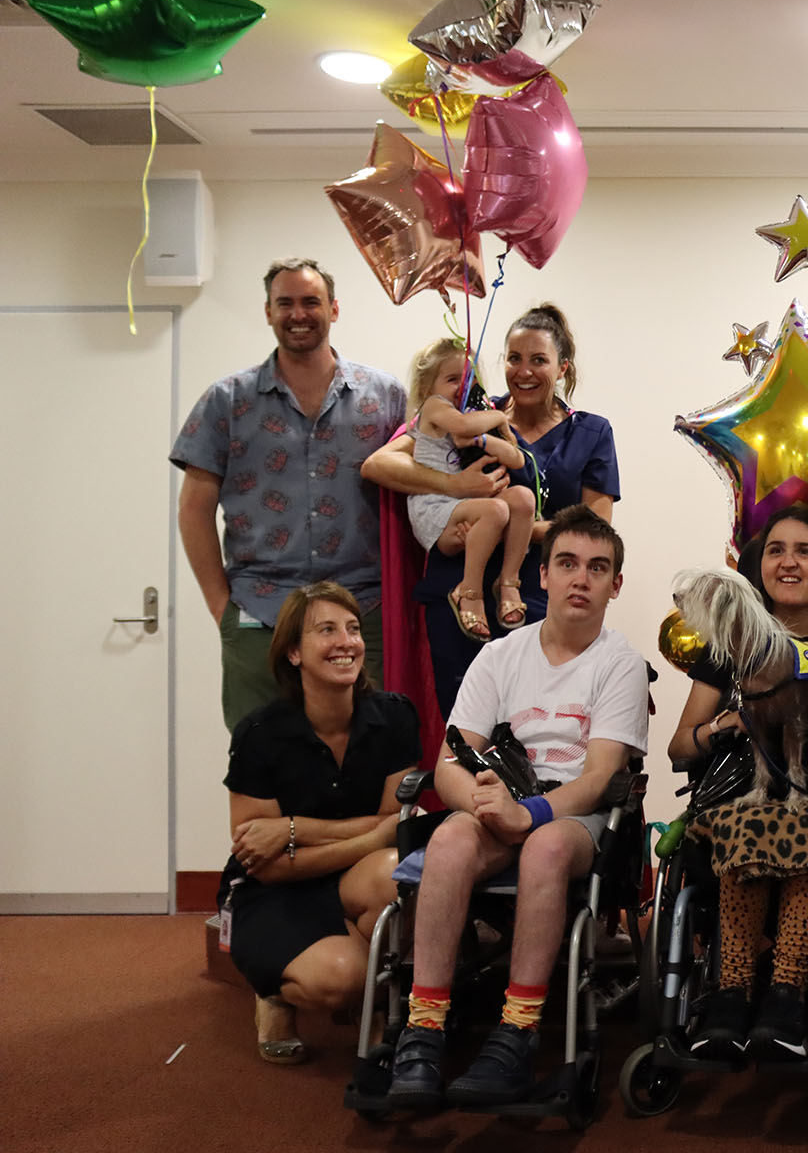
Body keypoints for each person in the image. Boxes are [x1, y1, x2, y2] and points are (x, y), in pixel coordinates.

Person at [385, 506, 648, 1110]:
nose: (581, 579)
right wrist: (477, 801)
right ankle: (423, 1028)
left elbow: (601, 775)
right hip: (500, 796)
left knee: (547, 845)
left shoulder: (619, 663)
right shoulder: (500, 656)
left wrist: (527, 815)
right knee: (448, 838)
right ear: (544, 576)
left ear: (615, 585)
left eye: (597, 567)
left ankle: (518, 1030)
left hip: (574, 814)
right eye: (567, 564)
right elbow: (451, 761)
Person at [668, 505, 808, 1060]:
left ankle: (784, 995)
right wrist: (727, 722)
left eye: (805, 551)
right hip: (748, 795)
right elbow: (678, 747)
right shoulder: (731, 647)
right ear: (758, 566)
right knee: (754, 818)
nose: (788, 562)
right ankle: (732, 994)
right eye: (775, 550)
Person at [172, 258, 411, 730]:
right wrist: (224, 609)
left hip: (363, 615)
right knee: (263, 768)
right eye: (285, 303)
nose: (298, 314)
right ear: (267, 312)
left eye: (310, 302)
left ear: (334, 309)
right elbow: (193, 510)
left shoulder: (385, 397)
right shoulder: (227, 400)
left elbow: (415, 495)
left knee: (372, 758)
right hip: (260, 615)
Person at [363, 303, 620, 717]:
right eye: (514, 359)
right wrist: (454, 486)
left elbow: (596, 533)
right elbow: (379, 464)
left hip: (537, 602)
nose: (524, 372)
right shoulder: (473, 415)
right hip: (460, 598)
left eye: (539, 360)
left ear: (563, 368)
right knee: (466, 730)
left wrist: (519, 526)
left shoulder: (591, 432)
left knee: (538, 732)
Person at [218, 581, 416, 1065]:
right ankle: (276, 995)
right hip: (274, 892)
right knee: (339, 980)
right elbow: (264, 864)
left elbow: (397, 826)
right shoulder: (260, 733)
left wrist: (293, 830)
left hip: (353, 877)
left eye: (352, 628)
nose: (345, 641)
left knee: (396, 873)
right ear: (292, 653)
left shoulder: (394, 717)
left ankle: (375, 1008)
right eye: (326, 630)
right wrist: (371, 833)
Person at [402, 337, 537, 642]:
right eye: (452, 379)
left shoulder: (477, 418)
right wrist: (500, 417)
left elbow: (516, 458)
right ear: (427, 387)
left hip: (464, 508)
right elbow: (461, 429)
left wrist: (485, 439)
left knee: (523, 498)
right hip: (434, 508)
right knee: (497, 508)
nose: (462, 387)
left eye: (470, 379)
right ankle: (469, 591)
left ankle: (508, 580)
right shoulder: (436, 407)